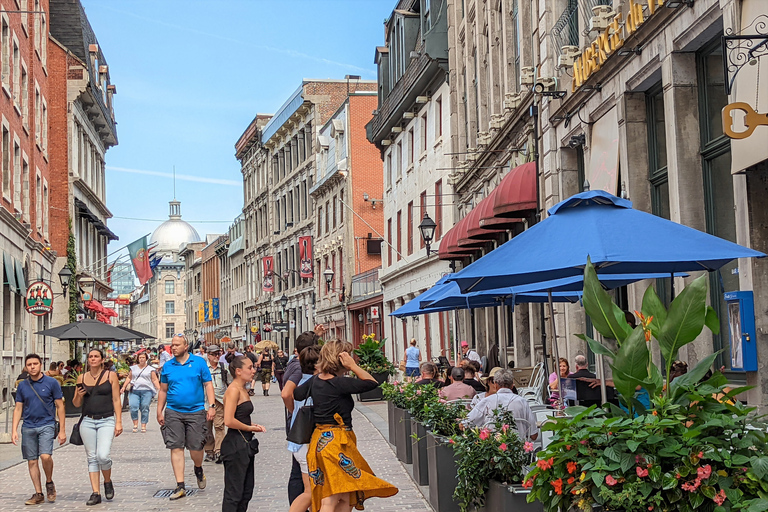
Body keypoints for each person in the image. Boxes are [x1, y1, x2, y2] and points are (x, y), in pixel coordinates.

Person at [294, 340, 398, 511]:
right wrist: (353, 366)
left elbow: (297, 394)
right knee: (331, 497)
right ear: (341, 359)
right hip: (336, 443)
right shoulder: (339, 383)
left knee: (346, 494)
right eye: (348, 356)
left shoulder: (315, 381)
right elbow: (372, 383)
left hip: (319, 441)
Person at [157, 334, 216, 500]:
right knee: (176, 447)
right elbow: (163, 390)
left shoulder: (198, 363)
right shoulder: (168, 366)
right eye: (172, 345)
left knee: (196, 447)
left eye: (176, 345)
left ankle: (198, 468)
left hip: (196, 411)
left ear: (185, 346)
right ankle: (180, 485)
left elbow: (208, 384)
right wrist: (159, 410)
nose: (173, 347)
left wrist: (211, 406)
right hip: (173, 411)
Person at [12, 354, 66, 505]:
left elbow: (60, 406)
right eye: (29, 364)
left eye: (35, 364)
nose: (32, 367)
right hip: (28, 426)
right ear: (26, 367)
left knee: (45, 456)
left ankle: (49, 482)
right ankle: (38, 493)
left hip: (46, 424)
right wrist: (14, 430)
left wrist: (62, 430)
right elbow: (18, 408)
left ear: (41, 365)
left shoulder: (51, 382)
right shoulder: (23, 385)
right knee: (32, 461)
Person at [72, 349, 123, 505]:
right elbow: (75, 404)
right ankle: (96, 492)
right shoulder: (81, 377)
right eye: (90, 357)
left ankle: (107, 480)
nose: (93, 359)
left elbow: (116, 399)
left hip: (106, 419)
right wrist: (78, 396)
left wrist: (119, 421)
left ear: (102, 360)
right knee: (92, 457)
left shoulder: (110, 376)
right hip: (87, 421)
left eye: (96, 357)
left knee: (103, 455)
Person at [221, 356, 267, 512]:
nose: (253, 370)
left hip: (244, 444)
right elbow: (228, 420)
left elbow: (240, 415)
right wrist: (249, 428)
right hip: (235, 444)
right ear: (238, 371)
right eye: (249, 367)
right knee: (234, 493)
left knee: (246, 491)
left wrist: (251, 425)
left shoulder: (243, 389)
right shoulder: (233, 390)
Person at [282, 330, 321, 506]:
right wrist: (295, 412)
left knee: (300, 473)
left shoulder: (293, 363)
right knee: (303, 480)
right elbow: (285, 394)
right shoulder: (300, 369)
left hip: (299, 429)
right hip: (302, 429)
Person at [464, 369, 538, 441]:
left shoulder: (486, 401)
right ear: (512, 385)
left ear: (495, 385)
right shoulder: (522, 401)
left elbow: (466, 423)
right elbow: (534, 435)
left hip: (493, 450)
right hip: (519, 450)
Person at [121, 351, 158, 433]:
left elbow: (154, 379)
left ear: (146, 359)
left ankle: (143, 424)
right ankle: (135, 424)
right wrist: (123, 387)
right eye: (140, 357)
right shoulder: (133, 368)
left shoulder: (151, 369)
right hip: (134, 390)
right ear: (137, 359)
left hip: (147, 390)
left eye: (143, 357)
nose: (141, 359)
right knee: (133, 406)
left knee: (145, 407)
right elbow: (129, 378)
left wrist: (160, 389)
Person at [204, 345, 228, 464]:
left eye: (218, 354)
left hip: (220, 401)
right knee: (206, 428)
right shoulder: (203, 368)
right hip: (205, 402)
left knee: (219, 426)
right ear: (208, 355)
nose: (217, 356)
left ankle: (219, 450)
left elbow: (230, 382)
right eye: (214, 354)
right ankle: (209, 451)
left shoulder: (224, 368)